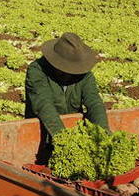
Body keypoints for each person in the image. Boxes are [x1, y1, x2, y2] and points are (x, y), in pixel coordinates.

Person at [25, 32, 109, 161]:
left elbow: (94, 102)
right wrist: (64, 141)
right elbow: (44, 105)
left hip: (74, 133)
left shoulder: (84, 74)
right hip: (43, 133)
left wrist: (104, 135)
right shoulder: (37, 71)